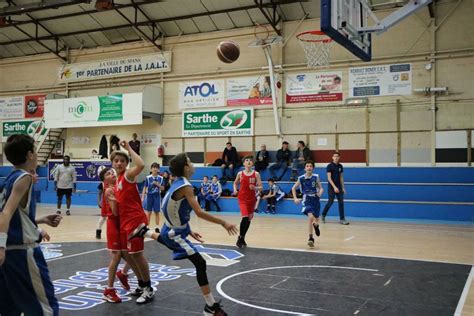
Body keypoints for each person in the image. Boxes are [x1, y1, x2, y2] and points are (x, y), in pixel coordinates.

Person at [129, 152, 237, 315]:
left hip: (170, 228)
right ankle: (210, 306)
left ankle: (145, 232)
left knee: (169, 240)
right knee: (200, 263)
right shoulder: (185, 186)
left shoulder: (178, 182)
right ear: (186, 168)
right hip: (174, 232)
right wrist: (224, 223)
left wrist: (189, 230)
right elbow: (199, 212)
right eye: (191, 162)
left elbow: (173, 210)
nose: (193, 164)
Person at [0, 134, 62, 315]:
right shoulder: (24, 178)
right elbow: (5, 213)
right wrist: (1, 246)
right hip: (22, 253)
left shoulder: (10, 178)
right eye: (34, 151)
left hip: (11, 254)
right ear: (30, 155)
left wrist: (40, 221)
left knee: (10, 307)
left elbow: (11, 216)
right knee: (45, 308)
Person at [111, 140, 153, 304]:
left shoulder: (128, 175)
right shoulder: (117, 181)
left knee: (137, 255)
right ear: (112, 163)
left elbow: (141, 165)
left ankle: (148, 288)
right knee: (131, 256)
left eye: (122, 160)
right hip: (125, 223)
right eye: (116, 161)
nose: (119, 163)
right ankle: (142, 285)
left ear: (126, 163)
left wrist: (128, 148)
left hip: (136, 221)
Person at [99, 167, 127, 303]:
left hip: (120, 223)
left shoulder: (116, 187)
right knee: (117, 256)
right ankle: (109, 289)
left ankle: (124, 274)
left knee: (129, 253)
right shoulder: (109, 190)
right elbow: (115, 212)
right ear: (105, 179)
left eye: (112, 172)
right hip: (113, 224)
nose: (112, 174)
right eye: (108, 174)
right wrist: (117, 200)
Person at [291, 160, 324, 248]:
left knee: (316, 218)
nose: (309, 167)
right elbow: (293, 188)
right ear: (305, 168)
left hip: (315, 199)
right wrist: (295, 198)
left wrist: (320, 193)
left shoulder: (316, 177)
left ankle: (316, 226)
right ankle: (310, 238)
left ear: (313, 168)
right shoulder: (301, 178)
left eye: (310, 166)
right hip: (306, 199)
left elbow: (321, 188)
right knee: (310, 218)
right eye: (307, 166)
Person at [233, 156, 262, 248]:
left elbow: (261, 187)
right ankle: (240, 238)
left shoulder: (256, 174)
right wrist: (235, 190)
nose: (249, 162)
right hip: (242, 198)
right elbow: (235, 183)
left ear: (252, 163)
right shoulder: (240, 173)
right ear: (243, 163)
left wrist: (255, 188)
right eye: (247, 160)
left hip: (251, 199)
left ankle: (242, 238)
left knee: (248, 220)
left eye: (250, 160)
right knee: (245, 217)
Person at [322, 152, 349, 225]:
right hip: (332, 187)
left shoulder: (340, 166)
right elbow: (329, 178)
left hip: (339, 187)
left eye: (337, 156)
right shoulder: (329, 166)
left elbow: (341, 177)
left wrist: (343, 187)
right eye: (335, 156)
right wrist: (334, 187)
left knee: (341, 203)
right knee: (330, 202)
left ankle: (342, 219)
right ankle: (323, 215)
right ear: (332, 157)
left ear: (339, 157)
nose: (336, 157)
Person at [142, 163, 163, 233]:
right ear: (151, 169)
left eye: (156, 167)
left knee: (157, 212)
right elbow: (145, 187)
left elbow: (163, 188)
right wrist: (142, 197)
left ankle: (157, 227)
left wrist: (157, 184)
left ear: (158, 169)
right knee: (148, 212)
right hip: (149, 196)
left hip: (157, 196)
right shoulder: (148, 178)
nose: (155, 169)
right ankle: (147, 226)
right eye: (153, 167)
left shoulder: (161, 178)